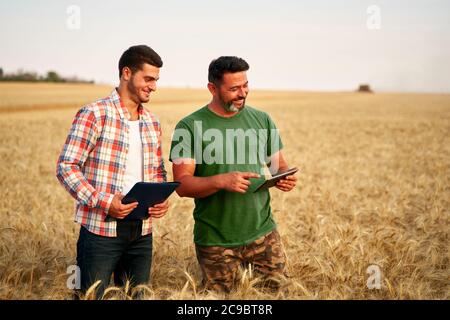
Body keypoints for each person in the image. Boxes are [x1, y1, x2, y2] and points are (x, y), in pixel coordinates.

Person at [169, 56, 297, 293]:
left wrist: (285, 176)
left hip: (263, 233)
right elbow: (182, 186)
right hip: (216, 241)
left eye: (246, 85)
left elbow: (279, 165)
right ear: (212, 88)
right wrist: (221, 181)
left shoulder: (262, 119)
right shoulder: (188, 126)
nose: (243, 93)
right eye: (234, 88)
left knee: (278, 295)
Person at [56, 45, 169, 299]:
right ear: (126, 73)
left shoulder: (152, 121)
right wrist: (105, 202)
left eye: (156, 80)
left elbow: (158, 169)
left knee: (137, 296)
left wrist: (161, 198)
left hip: (142, 231)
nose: (153, 86)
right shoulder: (94, 114)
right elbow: (66, 167)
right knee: (90, 296)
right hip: (100, 230)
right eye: (148, 79)